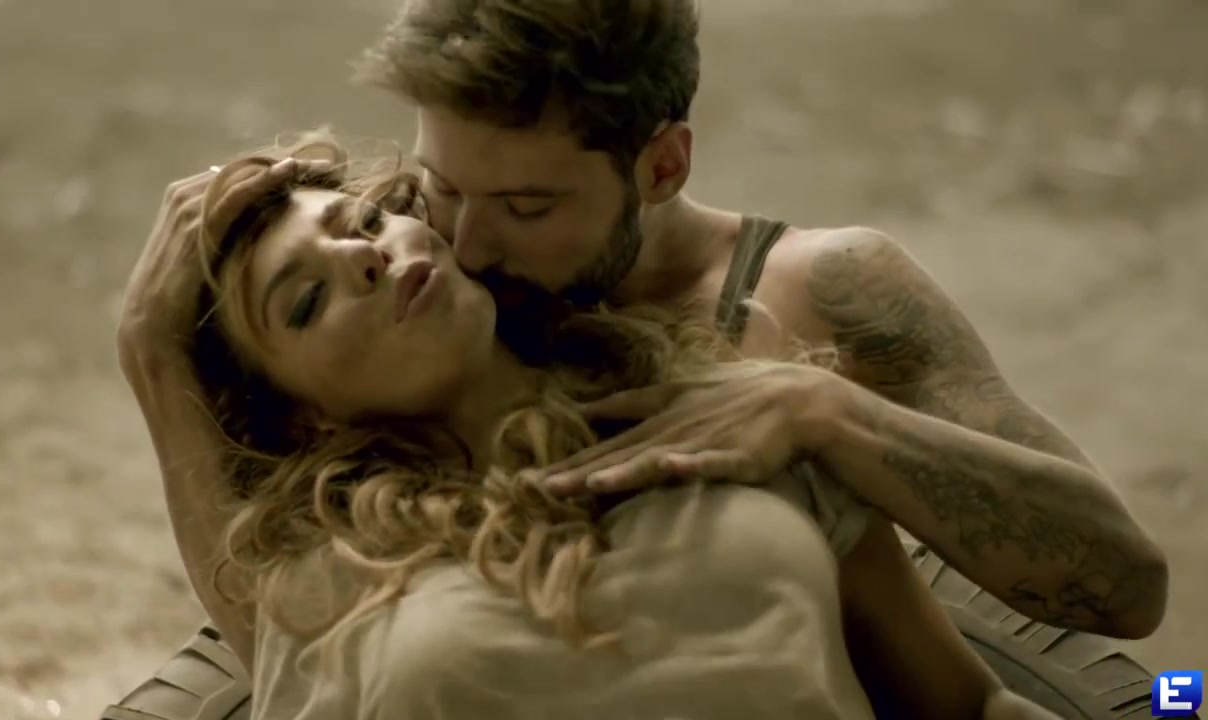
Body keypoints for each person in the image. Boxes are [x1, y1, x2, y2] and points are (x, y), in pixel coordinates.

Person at [113, 0, 1166, 716]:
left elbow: (1121, 588)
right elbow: (285, 628)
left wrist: (820, 412)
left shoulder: (808, 292)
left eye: (527, 206)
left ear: (660, 166)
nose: (463, 243)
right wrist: (157, 358)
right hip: (428, 581)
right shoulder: (414, 288)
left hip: (864, 589)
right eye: (440, 190)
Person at [177, 133, 1058, 719]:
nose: (364, 257)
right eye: (306, 300)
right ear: (305, 413)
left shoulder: (730, 409)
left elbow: (965, 706)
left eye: (367, 222)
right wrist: (151, 355)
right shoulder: (325, 582)